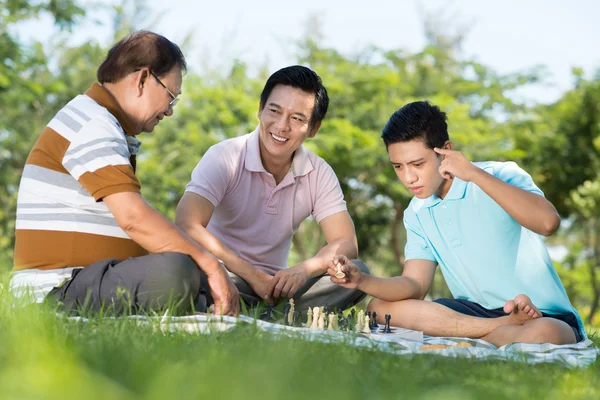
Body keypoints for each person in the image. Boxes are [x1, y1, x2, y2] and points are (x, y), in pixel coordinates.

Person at [10, 31, 239, 316]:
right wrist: (208, 263)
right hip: (54, 290)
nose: (169, 111)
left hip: (86, 280)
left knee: (194, 271)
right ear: (142, 78)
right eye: (171, 96)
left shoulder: (103, 122)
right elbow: (134, 218)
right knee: (176, 271)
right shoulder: (94, 123)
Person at [327, 100, 585, 346]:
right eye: (398, 166)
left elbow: (548, 223)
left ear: (446, 152)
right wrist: (362, 280)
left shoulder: (501, 174)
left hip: (541, 314)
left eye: (417, 164)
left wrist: (472, 173)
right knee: (380, 309)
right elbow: (414, 286)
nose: (408, 178)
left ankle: (472, 337)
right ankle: (499, 330)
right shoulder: (417, 211)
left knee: (546, 332)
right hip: (472, 313)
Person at [175, 65, 369, 311]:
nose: (281, 126)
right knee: (179, 269)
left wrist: (304, 269)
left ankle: (253, 312)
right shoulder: (226, 156)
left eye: (297, 118)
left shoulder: (318, 172)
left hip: (277, 289)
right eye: (274, 111)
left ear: (314, 128)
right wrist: (252, 275)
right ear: (260, 109)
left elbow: (346, 242)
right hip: (220, 275)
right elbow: (186, 223)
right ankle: (247, 309)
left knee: (355, 272)